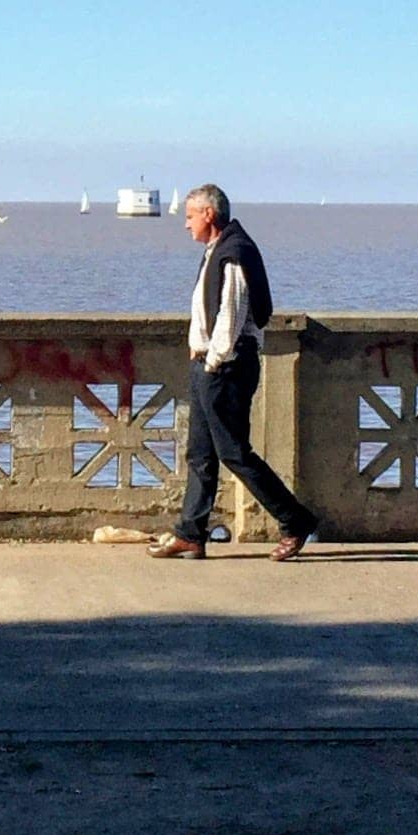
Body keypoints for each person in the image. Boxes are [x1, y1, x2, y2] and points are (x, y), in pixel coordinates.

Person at [150, 185, 323, 562]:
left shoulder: (233, 254)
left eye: (190, 216)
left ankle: (295, 521)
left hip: (225, 367)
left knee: (233, 453)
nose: (185, 225)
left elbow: (230, 318)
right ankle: (191, 534)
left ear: (208, 215)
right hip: (208, 365)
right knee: (200, 453)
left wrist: (212, 362)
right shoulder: (219, 250)